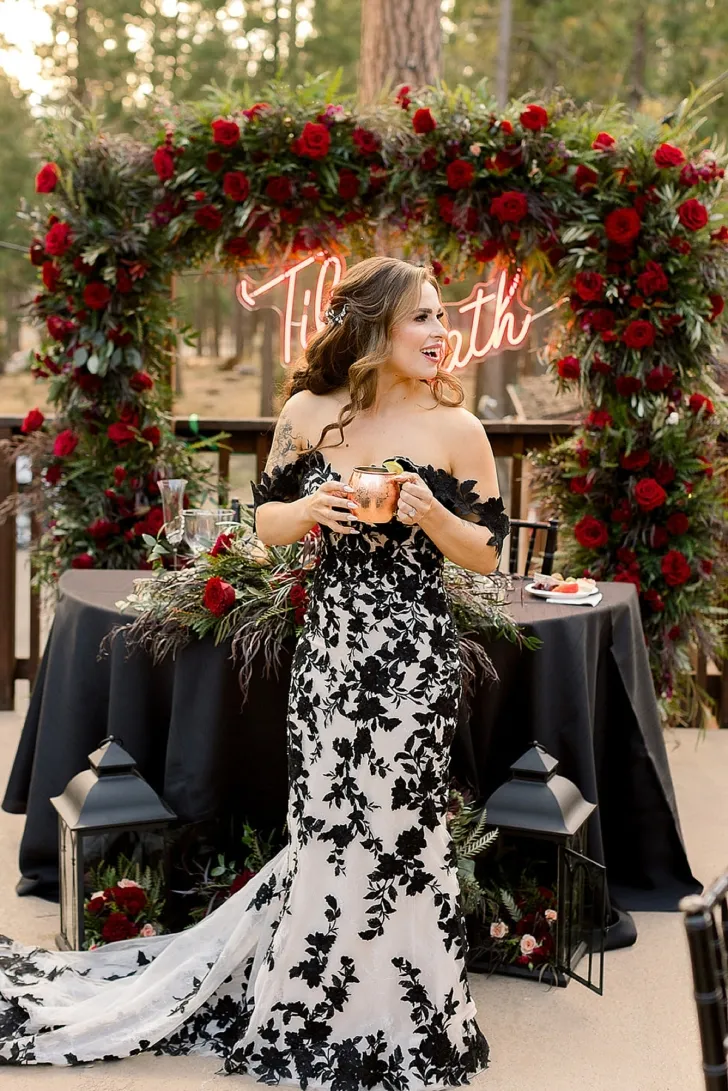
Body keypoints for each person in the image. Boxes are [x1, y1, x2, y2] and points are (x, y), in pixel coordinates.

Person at [0, 256, 509, 1088]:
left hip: (414, 658)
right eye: (424, 317)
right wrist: (309, 509)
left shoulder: (460, 429)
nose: (441, 333)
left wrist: (433, 514)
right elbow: (265, 522)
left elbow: (486, 557)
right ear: (375, 326)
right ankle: (312, 1003)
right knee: (328, 826)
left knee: (403, 835)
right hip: (332, 661)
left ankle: (409, 1014)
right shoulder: (308, 412)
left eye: (444, 317)